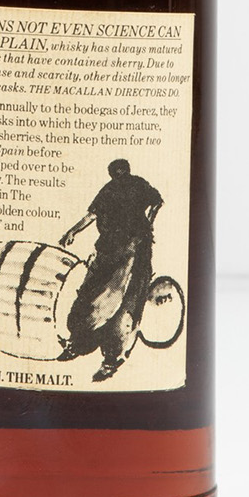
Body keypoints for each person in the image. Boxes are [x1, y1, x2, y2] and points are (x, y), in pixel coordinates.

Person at [58, 158, 163, 382]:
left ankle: (111, 359)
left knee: (126, 300)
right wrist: (72, 231)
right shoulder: (110, 189)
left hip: (134, 249)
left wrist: (147, 225)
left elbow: (157, 201)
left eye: (120, 172)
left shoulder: (137, 184)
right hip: (108, 248)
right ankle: (78, 343)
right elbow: (92, 214)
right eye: (117, 173)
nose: (119, 175)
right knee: (89, 293)